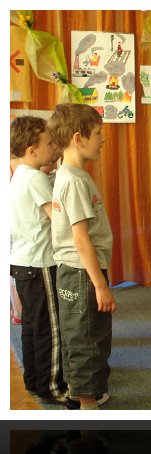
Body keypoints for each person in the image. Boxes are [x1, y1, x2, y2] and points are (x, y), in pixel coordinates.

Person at [48, 103, 114, 410]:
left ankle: (86, 394)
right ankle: (88, 407)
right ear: (78, 138)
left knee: (86, 334)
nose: (103, 139)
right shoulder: (73, 180)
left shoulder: (72, 175)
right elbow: (80, 238)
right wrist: (100, 285)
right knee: (87, 338)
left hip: (79, 271)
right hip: (81, 273)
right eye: (98, 133)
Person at [10, 116, 67, 405]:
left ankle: (33, 380)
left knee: (32, 325)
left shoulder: (19, 174)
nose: (54, 147)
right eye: (49, 143)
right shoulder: (35, 178)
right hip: (41, 263)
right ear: (32, 150)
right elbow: (56, 218)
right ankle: (52, 387)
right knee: (51, 328)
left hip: (22, 261)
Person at [10, 157, 23, 325]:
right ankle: (19, 312)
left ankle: (17, 311)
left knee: (12, 272)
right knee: (14, 272)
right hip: (14, 224)